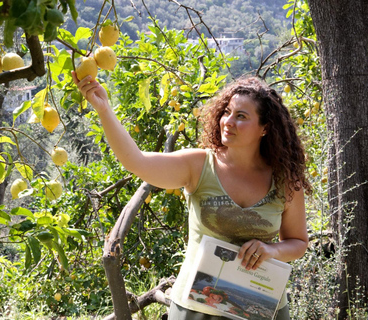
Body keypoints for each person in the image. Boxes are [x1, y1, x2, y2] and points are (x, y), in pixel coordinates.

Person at [72, 72, 311, 320]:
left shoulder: (285, 180)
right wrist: (104, 109)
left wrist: (271, 250)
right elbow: (136, 161)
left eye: (241, 116)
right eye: (227, 112)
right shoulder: (199, 165)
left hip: (261, 308)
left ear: (265, 128)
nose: (228, 121)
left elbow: (298, 243)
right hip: (197, 309)